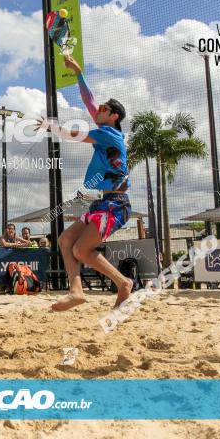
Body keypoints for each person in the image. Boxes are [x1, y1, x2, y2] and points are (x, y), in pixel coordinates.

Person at [36, 53, 134, 311]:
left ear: (114, 116)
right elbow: (89, 100)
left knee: (81, 250)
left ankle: (123, 283)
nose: (96, 110)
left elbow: (74, 135)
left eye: (103, 109)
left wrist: (52, 127)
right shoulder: (107, 128)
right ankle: (76, 291)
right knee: (66, 241)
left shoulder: (108, 134)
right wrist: (78, 72)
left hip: (116, 205)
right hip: (104, 203)